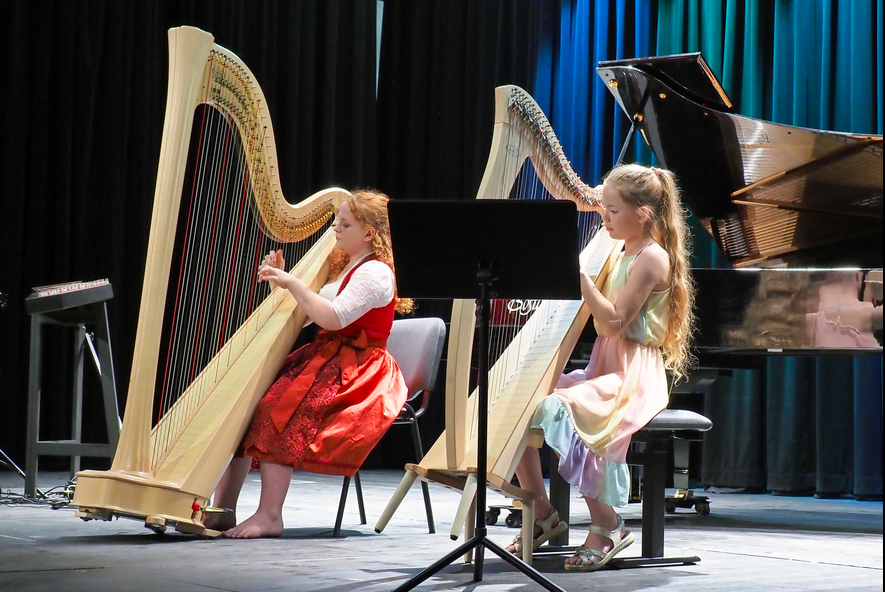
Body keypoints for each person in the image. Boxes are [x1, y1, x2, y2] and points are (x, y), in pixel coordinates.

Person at [505, 163, 695, 571]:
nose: (603, 217)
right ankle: (541, 514)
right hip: (604, 365)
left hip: (634, 375)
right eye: (602, 209)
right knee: (521, 398)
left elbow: (612, 322)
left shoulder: (651, 258)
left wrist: (579, 277)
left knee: (564, 409)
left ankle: (608, 525)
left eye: (612, 211)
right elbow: (587, 199)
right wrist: (585, 198)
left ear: (642, 214)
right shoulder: (618, 244)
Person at [206, 189, 413, 539]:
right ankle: (222, 510)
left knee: (278, 411)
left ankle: (270, 516)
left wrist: (293, 284)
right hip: (328, 357)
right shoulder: (343, 263)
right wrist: (282, 284)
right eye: (337, 221)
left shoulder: (376, 273)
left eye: (344, 224)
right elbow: (305, 318)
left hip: (359, 369)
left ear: (369, 234)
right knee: (248, 407)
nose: (336, 229)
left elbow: (332, 318)